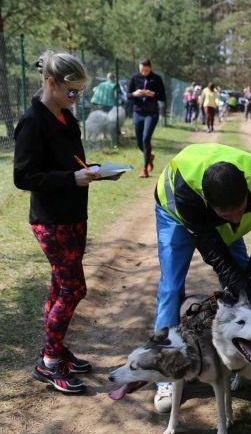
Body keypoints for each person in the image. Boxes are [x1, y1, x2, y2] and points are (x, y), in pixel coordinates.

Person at [152, 143, 251, 411]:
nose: (237, 221)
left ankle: (249, 350)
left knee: (243, 279)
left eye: (242, 210)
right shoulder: (187, 194)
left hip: (211, 215)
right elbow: (215, 254)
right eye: (228, 216)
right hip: (175, 214)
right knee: (171, 287)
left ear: (246, 193)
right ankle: (167, 373)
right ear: (210, 204)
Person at [14, 51, 118, 393]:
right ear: (50, 83)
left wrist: (95, 173)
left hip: (75, 214)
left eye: (80, 92)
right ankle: (48, 361)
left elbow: (71, 163)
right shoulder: (33, 121)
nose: (76, 98)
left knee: (61, 285)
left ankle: (56, 351)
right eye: (70, 91)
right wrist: (71, 179)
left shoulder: (66, 117)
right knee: (75, 288)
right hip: (51, 220)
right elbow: (24, 176)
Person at [127, 58, 166, 178]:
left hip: (152, 113)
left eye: (146, 70)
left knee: (145, 139)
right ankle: (149, 156)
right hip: (138, 112)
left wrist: (152, 94)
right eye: (142, 70)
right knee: (139, 142)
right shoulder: (134, 78)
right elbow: (128, 95)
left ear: (150, 68)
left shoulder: (157, 79)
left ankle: (144, 169)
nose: (144, 72)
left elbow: (163, 97)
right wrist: (135, 94)